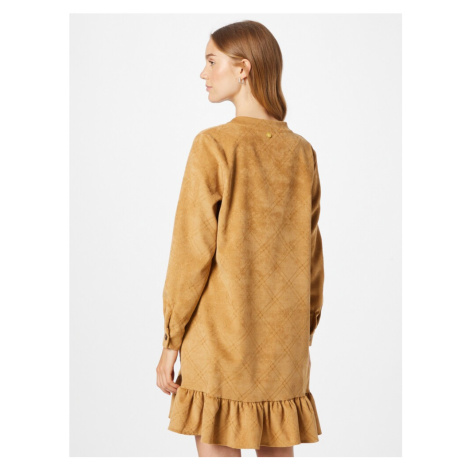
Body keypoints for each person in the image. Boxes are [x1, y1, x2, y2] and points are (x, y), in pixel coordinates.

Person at [156, 20, 325, 457]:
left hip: (218, 340)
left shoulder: (213, 145)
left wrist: (171, 342)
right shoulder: (301, 151)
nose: (204, 73)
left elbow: (191, 251)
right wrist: (302, 329)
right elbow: (312, 256)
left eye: (212, 61)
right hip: (283, 346)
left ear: (243, 68)